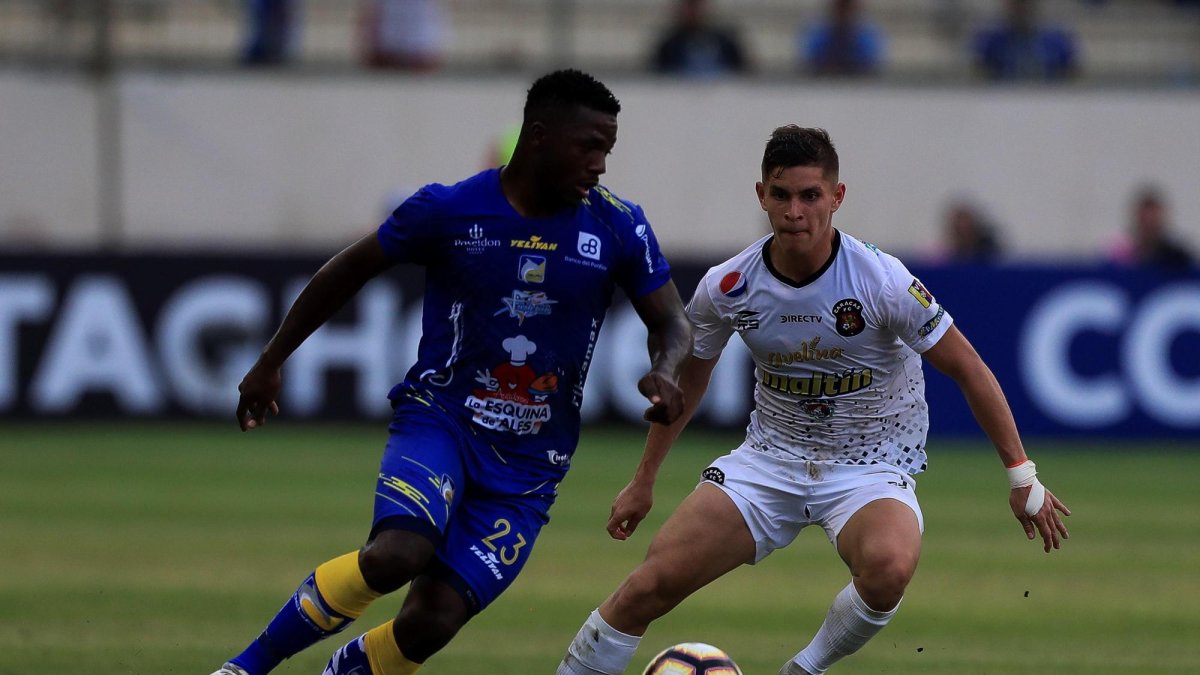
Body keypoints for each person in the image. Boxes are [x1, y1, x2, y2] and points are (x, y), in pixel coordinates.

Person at [210, 68, 692, 675]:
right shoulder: (449, 209)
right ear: (538, 137)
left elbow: (673, 323)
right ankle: (244, 668)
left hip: (529, 466)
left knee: (431, 621)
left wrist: (668, 370)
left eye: (608, 150)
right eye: (588, 146)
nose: (600, 164)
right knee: (397, 555)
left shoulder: (619, 224)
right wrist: (270, 360)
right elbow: (348, 271)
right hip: (442, 423)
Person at [558, 126, 1071, 675]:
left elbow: (969, 369)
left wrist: (1022, 476)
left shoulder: (881, 280)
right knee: (646, 587)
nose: (795, 211)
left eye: (810, 196)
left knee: (889, 567)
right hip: (769, 461)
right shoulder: (728, 285)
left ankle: (804, 669)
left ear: (837, 197)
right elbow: (692, 379)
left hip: (870, 466)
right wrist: (643, 480)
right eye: (781, 195)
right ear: (761, 196)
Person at [972, 0, 1078, 81]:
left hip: (1050, 100)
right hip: (1001, 100)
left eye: (1025, 4)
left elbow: (1074, 75)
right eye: (1016, 5)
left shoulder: (1056, 41)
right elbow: (977, 74)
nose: (1021, 10)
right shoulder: (992, 41)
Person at [650, 0, 749, 78]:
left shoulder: (725, 41)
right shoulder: (670, 45)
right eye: (690, 9)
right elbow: (660, 73)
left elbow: (741, 69)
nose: (694, 13)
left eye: (697, 8)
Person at [1106, 185, 1194, 268]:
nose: (1149, 225)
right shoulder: (1120, 255)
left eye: (1153, 221)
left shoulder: (1178, 257)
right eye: (1144, 221)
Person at [799, 0, 885, 77]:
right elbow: (811, 64)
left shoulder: (866, 38)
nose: (844, 14)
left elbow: (870, 66)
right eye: (840, 9)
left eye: (848, 10)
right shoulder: (819, 36)